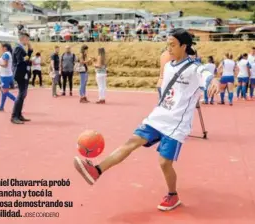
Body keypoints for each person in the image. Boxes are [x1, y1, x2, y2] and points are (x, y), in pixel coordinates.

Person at [73, 28, 219, 211]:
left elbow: (206, 75)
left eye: (173, 45)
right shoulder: (168, 66)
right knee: (130, 142)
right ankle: (97, 171)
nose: (169, 49)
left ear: (184, 46)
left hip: (176, 123)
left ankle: (173, 195)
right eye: (167, 45)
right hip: (158, 117)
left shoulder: (194, 67)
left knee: (164, 163)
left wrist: (213, 82)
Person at [11, 32, 33, 124]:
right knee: (21, 95)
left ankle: (19, 115)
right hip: (20, 74)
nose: (28, 41)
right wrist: (28, 58)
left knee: (23, 95)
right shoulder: (18, 48)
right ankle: (14, 116)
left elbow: (25, 58)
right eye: (27, 39)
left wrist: (29, 50)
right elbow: (20, 61)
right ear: (23, 38)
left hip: (24, 73)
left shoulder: (21, 48)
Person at [0, 43, 16, 111]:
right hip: (5, 75)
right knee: (3, 92)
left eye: (1, 47)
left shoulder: (6, 54)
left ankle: (17, 102)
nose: (1, 48)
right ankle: (1, 107)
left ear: (5, 48)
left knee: (4, 91)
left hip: (5, 76)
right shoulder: (7, 54)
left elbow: (5, 65)